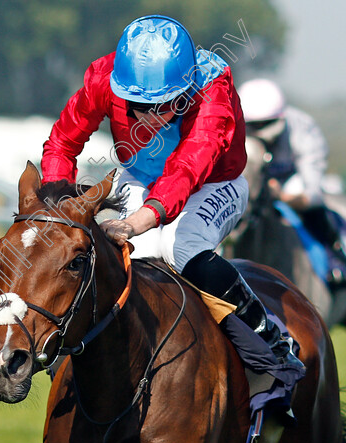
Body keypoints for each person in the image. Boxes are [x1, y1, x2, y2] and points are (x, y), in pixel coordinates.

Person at [41, 15, 304, 409]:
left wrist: (137, 221)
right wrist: (59, 206)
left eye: (165, 104)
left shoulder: (213, 88)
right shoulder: (102, 76)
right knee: (127, 260)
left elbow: (187, 169)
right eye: (137, 105)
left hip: (215, 182)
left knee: (180, 248)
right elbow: (62, 143)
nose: (149, 115)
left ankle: (270, 342)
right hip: (141, 177)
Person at [238, 78, 346, 285]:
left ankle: (335, 257)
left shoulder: (303, 131)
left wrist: (282, 196)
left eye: (265, 124)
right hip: (255, 180)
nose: (259, 131)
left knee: (306, 199)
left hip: (290, 180)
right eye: (253, 125)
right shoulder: (234, 128)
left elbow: (312, 194)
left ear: (280, 119)